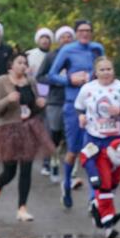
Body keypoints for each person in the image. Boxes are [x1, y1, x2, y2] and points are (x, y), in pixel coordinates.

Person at [74, 56, 120, 238]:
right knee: (102, 180)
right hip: (95, 138)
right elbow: (79, 106)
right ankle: (107, 221)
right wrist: (81, 116)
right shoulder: (88, 88)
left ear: (114, 71)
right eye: (102, 70)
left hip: (117, 139)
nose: (106, 73)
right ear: (95, 72)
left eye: (109, 69)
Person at [47, 19, 105, 208]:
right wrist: (70, 79)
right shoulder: (67, 50)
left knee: (93, 149)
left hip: (94, 106)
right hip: (73, 105)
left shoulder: (97, 49)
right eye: (81, 30)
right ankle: (66, 185)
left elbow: (104, 70)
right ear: (76, 33)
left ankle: (93, 197)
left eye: (88, 30)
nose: (85, 33)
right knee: (73, 150)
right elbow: (51, 75)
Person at [0, 52, 53, 221]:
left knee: (26, 170)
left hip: (28, 129)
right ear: (11, 65)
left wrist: (40, 104)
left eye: (25, 63)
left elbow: (34, 107)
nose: (23, 66)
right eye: (19, 62)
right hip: (9, 129)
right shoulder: (2, 80)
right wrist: (8, 99)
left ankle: (22, 208)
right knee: (9, 171)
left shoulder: (31, 81)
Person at [36, 25, 74, 181]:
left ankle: (70, 171)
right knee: (53, 134)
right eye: (63, 37)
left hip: (74, 101)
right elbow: (40, 77)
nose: (66, 39)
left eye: (69, 37)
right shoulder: (51, 56)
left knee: (71, 136)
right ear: (58, 40)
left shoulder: (77, 54)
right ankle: (50, 164)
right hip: (55, 100)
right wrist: (58, 80)